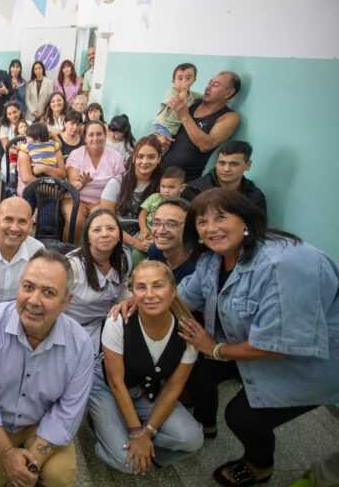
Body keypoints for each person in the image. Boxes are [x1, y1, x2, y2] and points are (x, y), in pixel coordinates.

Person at [175, 189, 339, 486]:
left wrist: (215, 348)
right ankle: (204, 424)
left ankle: (259, 466)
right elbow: (184, 298)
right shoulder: (213, 260)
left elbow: (275, 347)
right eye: (202, 222)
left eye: (221, 217)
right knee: (200, 368)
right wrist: (143, 300)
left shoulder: (284, 264)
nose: (210, 228)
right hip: (251, 343)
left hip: (309, 358)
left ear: (246, 220)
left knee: (243, 417)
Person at [0, 249, 95, 487]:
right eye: (28, 287)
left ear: (67, 301)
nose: (34, 301)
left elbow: (68, 412)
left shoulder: (81, 345)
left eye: (48, 292)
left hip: (41, 422)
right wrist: (6, 453)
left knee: (59, 477)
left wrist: (30, 460)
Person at [90, 260, 203, 474]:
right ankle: (108, 436)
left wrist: (147, 433)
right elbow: (115, 383)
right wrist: (135, 432)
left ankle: (142, 454)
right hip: (107, 387)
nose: (149, 294)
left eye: (158, 285)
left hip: (146, 390)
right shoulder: (118, 321)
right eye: (141, 287)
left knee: (192, 440)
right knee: (128, 462)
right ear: (132, 292)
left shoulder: (187, 332)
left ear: (172, 291)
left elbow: (173, 388)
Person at [160, 71, 242, 181]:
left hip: (185, 181)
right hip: (158, 169)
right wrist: (159, 135)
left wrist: (185, 116)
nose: (208, 87)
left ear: (228, 93)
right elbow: (165, 122)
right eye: (209, 83)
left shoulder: (229, 117)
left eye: (215, 85)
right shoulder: (192, 102)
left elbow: (206, 145)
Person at [66, 208, 131, 345]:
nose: (105, 234)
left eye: (111, 228)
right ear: (87, 237)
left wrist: (131, 301)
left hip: (106, 324)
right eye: (97, 230)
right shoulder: (72, 266)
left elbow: (123, 289)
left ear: (119, 234)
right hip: (72, 328)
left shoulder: (124, 258)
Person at [64, 120, 125, 243]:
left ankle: (91, 254)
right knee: (76, 221)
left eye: (99, 134)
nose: (95, 138)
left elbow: (120, 184)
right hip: (75, 198)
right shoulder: (76, 154)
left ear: (105, 135)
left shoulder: (115, 157)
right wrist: (82, 183)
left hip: (102, 201)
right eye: (91, 135)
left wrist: (105, 203)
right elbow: (72, 186)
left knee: (99, 222)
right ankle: (69, 251)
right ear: (85, 138)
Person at [100, 135, 162, 254]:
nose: (145, 162)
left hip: (147, 236)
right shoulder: (116, 183)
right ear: (133, 158)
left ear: (159, 159)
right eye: (140, 156)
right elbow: (105, 220)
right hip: (115, 236)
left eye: (151, 157)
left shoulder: (162, 186)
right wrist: (135, 243)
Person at [183, 140, 267, 216]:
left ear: (248, 165)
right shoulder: (194, 191)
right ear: (216, 163)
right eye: (222, 163)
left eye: (234, 164)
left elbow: (257, 230)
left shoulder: (255, 197)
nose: (226, 169)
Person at [146, 198, 196, 284]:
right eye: (156, 223)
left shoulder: (199, 267)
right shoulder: (155, 251)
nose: (161, 231)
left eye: (171, 224)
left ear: (189, 227)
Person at [16, 122, 66, 197]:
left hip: (38, 178)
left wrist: (43, 168)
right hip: (49, 180)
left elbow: (62, 175)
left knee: (33, 198)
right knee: (49, 200)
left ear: (37, 138)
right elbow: (27, 179)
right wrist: (54, 136)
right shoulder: (52, 144)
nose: (26, 138)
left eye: (28, 137)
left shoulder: (29, 146)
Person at [153, 63, 201, 138]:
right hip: (163, 126)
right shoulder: (172, 92)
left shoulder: (192, 95)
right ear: (173, 81)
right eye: (180, 78)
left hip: (173, 130)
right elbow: (179, 102)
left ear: (194, 80)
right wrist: (184, 90)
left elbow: (202, 97)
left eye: (188, 78)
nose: (184, 81)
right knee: (162, 145)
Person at [139, 166, 187, 240]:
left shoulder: (181, 205)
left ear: (182, 188)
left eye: (171, 187)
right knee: (137, 251)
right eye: (163, 186)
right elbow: (142, 214)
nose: (166, 191)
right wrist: (143, 230)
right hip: (147, 234)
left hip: (165, 236)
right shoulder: (154, 197)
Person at [0, 101, 24, 186]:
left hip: (27, 155)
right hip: (10, 156)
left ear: (19, 111)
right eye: (9, 114)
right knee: (11, 173)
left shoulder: (27, 123)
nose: (13, 116)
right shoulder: (4, 128)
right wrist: (20, 152)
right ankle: (12, 191)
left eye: (15, 112)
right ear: (6, 115)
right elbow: (7, 148)